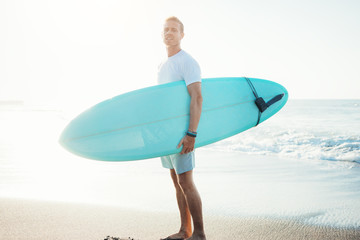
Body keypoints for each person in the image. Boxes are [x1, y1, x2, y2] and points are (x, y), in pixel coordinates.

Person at [158, 17, 206, 240]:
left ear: (182, 35)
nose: (169, 33)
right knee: (177, 182)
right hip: (167, 135)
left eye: (174, 30)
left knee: (186, 182)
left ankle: (199, 233)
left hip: (182, 133)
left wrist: (191, 133)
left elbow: (196, 97)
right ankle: (184, 230)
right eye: (166, 29)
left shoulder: (187, 61)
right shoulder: (162, 65)